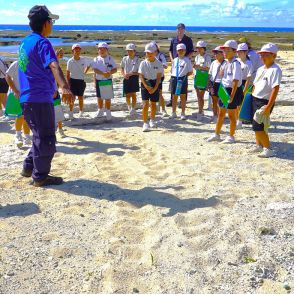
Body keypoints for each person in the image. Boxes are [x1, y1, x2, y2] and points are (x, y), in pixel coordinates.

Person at [18, 5, 73, 187]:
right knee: (47, 138)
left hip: (28, 99)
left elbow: (33, 70)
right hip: (39, 99)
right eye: (52, 21)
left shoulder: (25, 42)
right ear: (46, 23)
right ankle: (40, 176)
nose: (53, 25)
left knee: (38, 136)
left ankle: (28, 167)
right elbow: (54, 65)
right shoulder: (43, 42)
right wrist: (64, 86)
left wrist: (52, 86)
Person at [207, 40, 243, 144]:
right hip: (224, 89)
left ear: (234, 51)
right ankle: (216, 134)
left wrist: (231, 96)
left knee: (231, 115)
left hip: (232, 90)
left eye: (228, 50)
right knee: (221, 113)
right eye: (224, 50)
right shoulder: (225, 63)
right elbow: (223, 77)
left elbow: (235, 81)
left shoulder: (236, 64)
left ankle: (231, 136)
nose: (225, 52)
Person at [251, 43, 282, 158]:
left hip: (264, 101)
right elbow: (255, 85)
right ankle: (259, 145)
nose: (263, 57)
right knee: (255, 124)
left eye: (266, 55)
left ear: (273, 55)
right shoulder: (260, 69)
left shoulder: (275, 70)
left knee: (258, 126)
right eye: (261, 55)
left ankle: (267, 149)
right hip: (255, 98)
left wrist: (269, 106)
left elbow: (275, 88)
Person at [85, 42, 117, 120]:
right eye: (100, 49)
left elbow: (115, 69)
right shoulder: (96, 59)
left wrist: (109, 73)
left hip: (107, 80)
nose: (102, 50)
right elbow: (95, 69)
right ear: (98, 50)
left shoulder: (110, 59)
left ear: (107, 50)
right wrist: (103, 74)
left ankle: (108, 111)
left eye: (103, 49)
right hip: (99, 80)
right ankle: (100, 110)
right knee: (99, 97)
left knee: (108, 97)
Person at [5, 60, 31, 148]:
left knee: (27, 116)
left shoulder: (32, 63)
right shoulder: (16, 63)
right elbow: (7, 76)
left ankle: (27, 135)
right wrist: (15, 90)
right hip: (18, 94)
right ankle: (18, 135)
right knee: (20, 115)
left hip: (29, 94)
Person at [167, 23, 194, 107]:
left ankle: (182, 103)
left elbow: (191, 51)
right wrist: (172, 60)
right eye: (178, 28)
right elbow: (170, 50)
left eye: (182, 28)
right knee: (173, 81)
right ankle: (172, 100)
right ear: (176, 29)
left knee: (183, 82)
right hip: (175, 62)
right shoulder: (173, 40)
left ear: (184, 29)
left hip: (184, 63)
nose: (180, 30)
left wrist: (185, 59)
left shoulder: (188, 39)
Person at [138, 43, 163, 132]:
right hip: (145, 83)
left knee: (153, 104)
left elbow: (159, 77)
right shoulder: (143, 63)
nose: (148, 54)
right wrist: (146, 86)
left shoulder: (159, 63)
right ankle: (145, 123)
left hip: (154, 83)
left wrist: (155, 88)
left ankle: (152, 120)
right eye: (147, 53)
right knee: (145, 104)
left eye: (150, 53)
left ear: (155, 52)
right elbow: (141, 75)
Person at [169, 43, 193, 120]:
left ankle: (183, 113)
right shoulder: (175, 60)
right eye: (179, 50)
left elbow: (190, 72)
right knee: (174, 96)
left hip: (182, 79)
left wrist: (184, 77)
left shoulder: (187, 60)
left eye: (182, 50)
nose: (181, 51)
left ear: (185, 51)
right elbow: (171, 70)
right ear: (177, 51)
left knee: (183, 96)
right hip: (174, 78)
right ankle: (173, 112)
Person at [66, 44, 87, 119]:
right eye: (76, 49)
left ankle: (81, 112)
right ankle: (70, 112)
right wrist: (68, 84)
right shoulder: (70, 61)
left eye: (79, 49)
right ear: (72, 51)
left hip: (81, 81)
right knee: (72, 98)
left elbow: (85, 70)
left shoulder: (83, 60)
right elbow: (68, 74)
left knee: (81, 97)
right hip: (73, 81)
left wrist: (87, 69)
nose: (77, 51)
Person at [236, 43, 253, 128]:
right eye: (237, 51)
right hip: (236, 83)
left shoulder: (249, 63)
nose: (238, 53)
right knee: (236, 103)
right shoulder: (236, 61)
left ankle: (240, 121)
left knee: (241, 104)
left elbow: (248, 78)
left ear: (245, 52)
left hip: (244, 84)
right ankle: (237, 120)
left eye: (240, 52)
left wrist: (244, 90)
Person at [194, 40, 211, 120]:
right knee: (198, 96)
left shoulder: (207, 57)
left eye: (200, 48)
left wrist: (199, 67)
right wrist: (195, 67)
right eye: (198, 48)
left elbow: (208, 68)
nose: (198, 50)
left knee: (201, 96)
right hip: (197, 76)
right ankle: (200, 110)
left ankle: (200, 112)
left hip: (204, 77)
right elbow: (196, 67)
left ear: (204, 48)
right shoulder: (197, 56)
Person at [120, 43, 140, 117]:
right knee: (127, 94)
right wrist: (124, 75)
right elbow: (121, 68)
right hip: (126, 77)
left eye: (131, 51)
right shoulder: (124, 58)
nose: (129, 52)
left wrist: (132, 73)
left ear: (134, 51)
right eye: (128, 51)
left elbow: (140, 72)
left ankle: (133, 108)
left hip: (134, 77)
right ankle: (129, 107)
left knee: (133, 94)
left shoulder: (138, 59)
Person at [208, 46, 225, 122]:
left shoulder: (226, 63)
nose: (215, 55)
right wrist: (209, 84)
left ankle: (220, 116)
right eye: (214, 53)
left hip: (222, 84)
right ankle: (215, 115)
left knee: (222, 102)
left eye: (217, 53)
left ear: (222, 53)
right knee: (214, 100)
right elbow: (210, 74)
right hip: (214, 83)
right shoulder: (213, 62)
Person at [152, 42, 169, 117]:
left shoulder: (160, 56)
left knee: (159, 93)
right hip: (151, 76)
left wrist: (158, 64)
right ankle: (154, 109)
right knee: (151, 93)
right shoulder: (149, 56)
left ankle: (163, 109)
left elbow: (165, 65)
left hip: (159, 77)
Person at [55, 48, 65, 138]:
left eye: (62, 53)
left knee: (58, 110)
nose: (61, 54)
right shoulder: (51, 64)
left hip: (55, 92)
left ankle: (60, 129)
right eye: (59, 53)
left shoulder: (56, 64)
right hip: (48, 92)